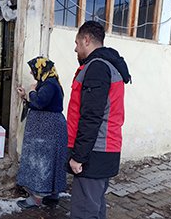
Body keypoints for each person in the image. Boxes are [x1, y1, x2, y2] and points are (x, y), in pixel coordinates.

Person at [67, 21, 131, 219]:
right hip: (103, 149)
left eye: (77, 43)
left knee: (85, 210)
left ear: (86, 40)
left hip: (95, 151)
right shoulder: (107, 65)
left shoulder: (97, 68)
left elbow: (91, 116)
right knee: (95, 206)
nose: (75, 48)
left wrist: (79, 156)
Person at [16, 56, 68, 208]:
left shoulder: (49, 84)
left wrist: (31, 91)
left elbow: (38, 102)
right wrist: (25, 96)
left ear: (41, 69)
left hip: (46, 129)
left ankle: (36, 198)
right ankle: (52, 196)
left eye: (33, 70)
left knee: (40, 162)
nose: (31, 73)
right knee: (51, 161)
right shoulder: (48, 83)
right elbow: (40, 103)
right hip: (48, 128)